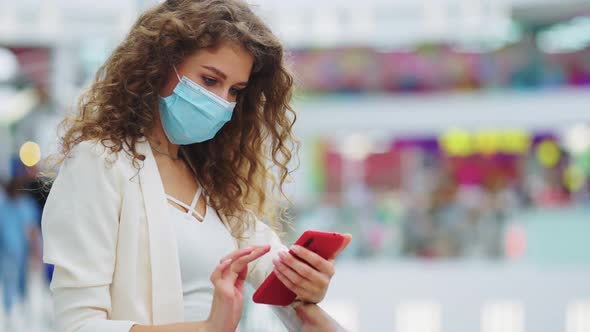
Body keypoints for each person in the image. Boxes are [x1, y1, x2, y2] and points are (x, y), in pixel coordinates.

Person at [41, 1, 351, 332]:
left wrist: (306, 282)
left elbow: (273, 264)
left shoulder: (213, 184)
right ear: (160, 66)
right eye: (209, 80)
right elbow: (78, 325)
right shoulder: (100, 163)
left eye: (235, 90)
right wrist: (205, 329)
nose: (221, 102)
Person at [0, 178, 40, 329]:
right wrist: (36, 251)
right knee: (15, 282)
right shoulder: (21, 206)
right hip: (13, 251)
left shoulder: (15, 206)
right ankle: (16, 313)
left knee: (16, 282)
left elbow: (31, 230)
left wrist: (35, 251)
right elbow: (32, 231)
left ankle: (15, 313)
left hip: (14, 251)